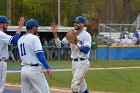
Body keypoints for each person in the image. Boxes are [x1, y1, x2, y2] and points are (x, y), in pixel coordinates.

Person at [51, 16, 91, 93]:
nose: (75, 24)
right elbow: (59, 45)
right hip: (74, 62)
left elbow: (86, 50)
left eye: (78, 22)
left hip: (83, 62)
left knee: (75, 86)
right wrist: (55, 34)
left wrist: (76, 43)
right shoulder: (71, 33)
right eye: (75, 22)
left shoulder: (86, 35)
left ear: (83, 24)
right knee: (82, 87)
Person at [17, 19, 52, 93]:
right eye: (37, 27)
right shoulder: (34, 38)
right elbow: (40, 54)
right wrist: (47, 68)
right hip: (34, 69)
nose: (37, 29)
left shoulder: (20, 40)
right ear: (33, 28)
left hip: (24, 69)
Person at [0, 16, 25, 93]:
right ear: (1, 24)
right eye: (6, 23)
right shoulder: (1, 34)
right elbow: (14, 40)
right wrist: (20, 26)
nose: (7, 25)